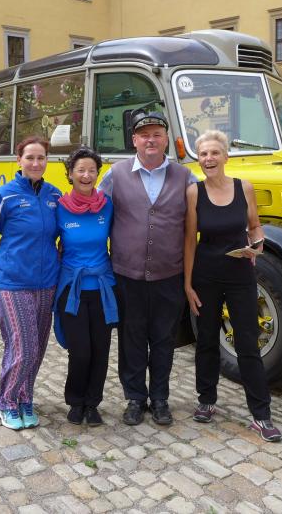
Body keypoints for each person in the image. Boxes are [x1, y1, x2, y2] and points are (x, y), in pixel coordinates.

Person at [98, 110, 195, 426]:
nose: (150, 140)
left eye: (156, 134)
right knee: (132, 339)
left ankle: (160, 398)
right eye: (144, 135)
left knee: (164, 339)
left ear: (167, 139)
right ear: (134, 140)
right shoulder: (115, 174)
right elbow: (96, 214)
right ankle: (135, 398)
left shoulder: (185, 177)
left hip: (169, 274)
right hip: (127, 275)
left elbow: (204, 217)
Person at [183, 130, 281, 442]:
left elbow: (255, 226)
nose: (209, 158)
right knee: (207, 340)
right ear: (199, 160)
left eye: (214, 153)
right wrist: (187, 284)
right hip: (206, 275)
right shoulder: (194, 192)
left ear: (226, 156)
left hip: (240, 276)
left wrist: (257, 245)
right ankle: (206, 400)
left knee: (248, 344)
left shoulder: (244, 187)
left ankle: (261, 415)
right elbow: (189, 241)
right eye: (203, 154)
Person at [0, 136, 62, 431]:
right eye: (30, 157)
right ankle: (6, 402)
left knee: (37, 348)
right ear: (19, 160)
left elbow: (61, 236)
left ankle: (25, 397)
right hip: (12, 282)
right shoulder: (3, 197)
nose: (36, 163)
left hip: (46, 283)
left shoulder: (54, 195)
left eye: (41, 158)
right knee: (23, 347)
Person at [54, 148, 117, 426]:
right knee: (80, 351)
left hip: (103, 287)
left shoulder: (107, 206)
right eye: (80, 170)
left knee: (100, 350)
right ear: (70, 174)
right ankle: (75, 401)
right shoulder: (59, 208)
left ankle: (92, 404)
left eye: (92, 170)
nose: (86, 175)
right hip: (72, 289)